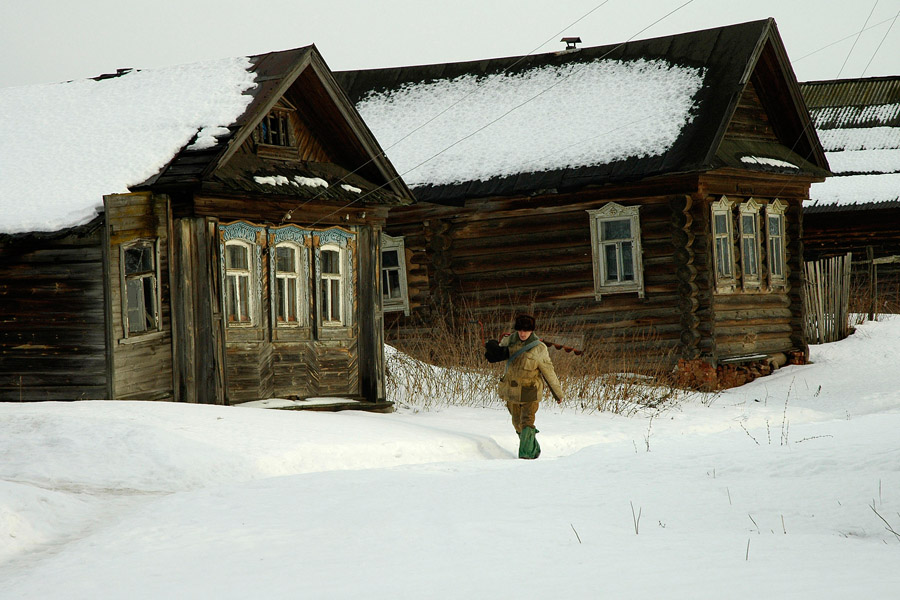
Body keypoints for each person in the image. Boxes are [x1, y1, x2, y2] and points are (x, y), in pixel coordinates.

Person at [486, 314, 563, 459]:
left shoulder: (539, 348)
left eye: (526, 331)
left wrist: (557, 393)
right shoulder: (509, 341)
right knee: (517, 424)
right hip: (511, 391)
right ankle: (533, 447)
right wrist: (491, 349)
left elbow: (548, 371)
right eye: (520, 330)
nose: (522, 333)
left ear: (531, 331)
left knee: (527, 423)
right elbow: (496, 354)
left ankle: (526, 457)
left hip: (530, 391)